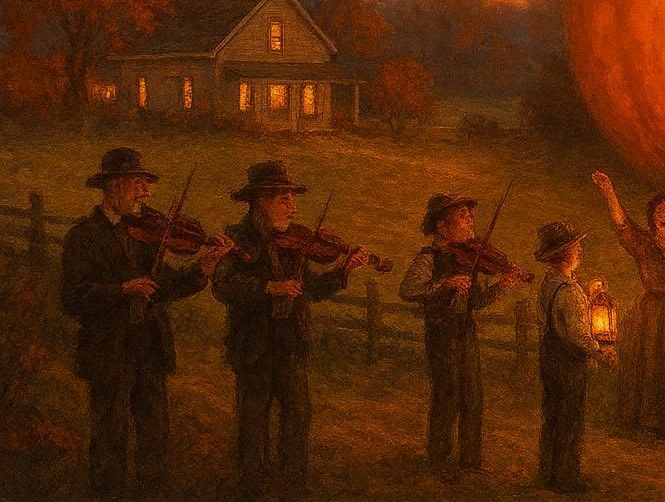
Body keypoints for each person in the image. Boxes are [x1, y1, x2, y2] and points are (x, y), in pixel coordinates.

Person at [59, 147, 233, 500]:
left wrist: (203, 268)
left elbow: (162, 287)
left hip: (149, 349)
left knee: (154, 431)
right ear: (114, 187)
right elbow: (73, 297)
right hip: (109, 350)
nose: (147, 193)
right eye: (139, 184)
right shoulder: (83, 236)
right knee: (110, 432)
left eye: (146, 185)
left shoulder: (144, 233)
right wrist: (122, 289)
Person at [212, 162, 369, 501]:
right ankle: (251, 485)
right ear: (261, 201)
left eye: (292, 199)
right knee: (253, 418)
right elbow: (222, 286)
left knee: (298, 415)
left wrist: (343, 270)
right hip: (253, 345)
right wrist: (267, 288)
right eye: (285, 199)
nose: (293, 208)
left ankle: (293, 484)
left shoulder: (295, 241)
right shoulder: (236, 239)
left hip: (292, 344)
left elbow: (310, 287)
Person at [399, 193, 528, 481]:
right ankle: (440, 459)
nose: (470, 221)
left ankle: (471, 459)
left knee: (473, 395)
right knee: (447, 396)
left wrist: (502, 285)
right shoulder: (429, 257)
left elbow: (477, 302)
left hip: (466, 331)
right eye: (462, 216)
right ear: (442, 226)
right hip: (441, 334)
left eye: (470, 215)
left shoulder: (470, 257)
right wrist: (444, 283)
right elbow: (407, 289)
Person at [589, 171, 665, 434]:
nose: (664, 216)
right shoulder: (643, 244)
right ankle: (650, 418)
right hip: (652, 316)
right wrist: (609, 192)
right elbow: (622, 224)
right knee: (652, 362)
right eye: (659, 212)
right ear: (652, 218)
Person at [534, 220, 617, 494]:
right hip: (569, 363)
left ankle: (547, 473)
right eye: (576, 246)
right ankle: (566, 478)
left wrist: (587, 296)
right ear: (564, 254)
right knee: (569, 420)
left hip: (549, 356)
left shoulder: (550, 283)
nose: (580, 249)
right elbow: (578, 335)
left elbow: (557, 320)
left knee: (552, 417)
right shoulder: (570, 291)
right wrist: (600, 351)